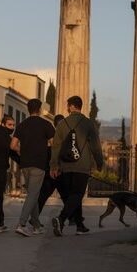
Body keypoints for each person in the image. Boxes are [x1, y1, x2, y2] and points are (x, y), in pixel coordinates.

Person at [50, 96, 104, 237]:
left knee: (74, 195)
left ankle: (79, 225)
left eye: (68, 105)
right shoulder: (87, 123)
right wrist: (99, 162)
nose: (67, 108)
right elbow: (96, 146)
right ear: (80, 106)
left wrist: (54, 166)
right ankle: (61, 219)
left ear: (71, 106)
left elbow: (56, 147)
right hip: (82, 165)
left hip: (66, 166)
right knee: (77, 194)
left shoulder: (62, 124)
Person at [10, 99, 55, 237]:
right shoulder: (46, 124)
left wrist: (21, 150)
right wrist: (42, 148)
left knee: (33, 193)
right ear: (40, 109)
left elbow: (12, 145)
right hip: (39, 163)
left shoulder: (22, 125)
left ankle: (36, 225)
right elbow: (53, 144)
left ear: (28, 109)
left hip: (25, 164)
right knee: (33, 194)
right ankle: (21, 224)